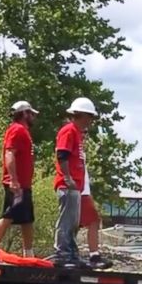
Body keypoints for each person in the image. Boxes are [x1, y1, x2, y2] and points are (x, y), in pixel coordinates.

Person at [51, 97, 96, 265]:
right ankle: (62, 254)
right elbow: (62, 155)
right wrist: (68, 178)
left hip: (75, 185)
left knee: (73, 222)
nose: (90, 121)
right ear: (80, 115)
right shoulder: (68, 131)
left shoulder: (76, 133)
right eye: (89, 116)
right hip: (68, 184)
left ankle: (71, 254)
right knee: (66, 221)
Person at [0, 101, 37, 257]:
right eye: (31, 113)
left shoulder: (23, 131)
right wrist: (13, 180)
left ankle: (28, 254)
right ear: (24, 113)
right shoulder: (17, 130)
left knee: (27, 219)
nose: (33, 117)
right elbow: (9, 153)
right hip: (17, 185)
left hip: (23, 184)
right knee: (9, 215)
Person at [79, 166, 112, 268]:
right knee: (93, 220)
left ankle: (71, 251)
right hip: (79, 190)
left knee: (78, 222)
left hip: (83, 190)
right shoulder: (75, 150)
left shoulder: (80, 151)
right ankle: (94, 255)